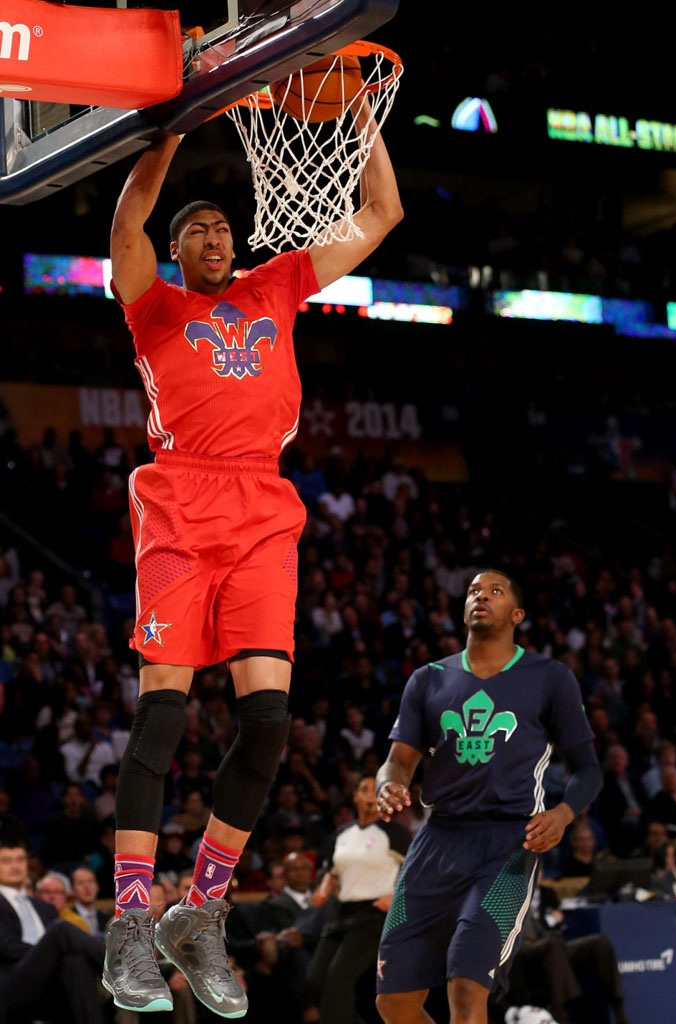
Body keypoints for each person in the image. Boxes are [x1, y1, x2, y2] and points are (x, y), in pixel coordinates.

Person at [102, 90, 402, 1019]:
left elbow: (383, 214)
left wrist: (361, 123)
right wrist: (177, 127)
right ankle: (126, 922)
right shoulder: (150, 306)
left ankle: (200, 910)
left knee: (267, 724)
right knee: (164, 721)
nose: (215, 235)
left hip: (263, 505)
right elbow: (127, 219)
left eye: (224, 226)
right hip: (182, 501)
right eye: (196, 228)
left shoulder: (273, 288)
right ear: (177, 251)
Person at [374, 570, 603, 1024]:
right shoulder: (428, 679)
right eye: (475, 591)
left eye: (495, 591)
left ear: (517, 614)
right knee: (394, 1002)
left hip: (508, 845)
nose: (482, 596)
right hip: (436, 840)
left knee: (465, 984)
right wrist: (388, 783)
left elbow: (589, 770)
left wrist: (562, 814)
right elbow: (397, 760)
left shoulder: (549, 677)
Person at [307, 775, 410, 1024]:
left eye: (377, 791)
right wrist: (323, 891)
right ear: (356, 797)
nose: (372, 796)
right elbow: (332, 872)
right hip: (341, 912)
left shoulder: (394, 833)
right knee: (314, 980)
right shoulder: (343, 834)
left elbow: (417, 873)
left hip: (374, 916)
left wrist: (395, 897)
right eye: (366, 790)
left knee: (338, 978)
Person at [0, 838, 105, 1024]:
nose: (15, 866)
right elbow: (6, 946)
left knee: (75, 962)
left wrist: (51, 953)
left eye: (20, 860)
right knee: (60, 931)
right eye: (6, 861)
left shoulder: (43, 907)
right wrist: (47, 950)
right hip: (12, 984)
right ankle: (117, 963)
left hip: (52, 983)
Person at [507, 880, 631, 1024]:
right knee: (553, 946)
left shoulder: (547, 894)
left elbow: (548, 928)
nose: (538, 872)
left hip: (548, 944)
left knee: (600, 942)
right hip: (519, 953)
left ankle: (619, 1012)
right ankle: (560, 1014)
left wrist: (552, 923)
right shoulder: (506, 894)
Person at [71, 865, 110, 936]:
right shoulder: (67, 920)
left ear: (97, 887)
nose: (86, 886)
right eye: (80, 882)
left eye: (90, 881)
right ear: (72, 890)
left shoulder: (107, 920)